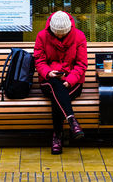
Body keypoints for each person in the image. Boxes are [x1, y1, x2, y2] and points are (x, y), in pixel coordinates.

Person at [33, 11, 88, 154]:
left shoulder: (79, 37)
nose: (60, 36)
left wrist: (69, 81)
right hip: (49, 80)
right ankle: (72, 121)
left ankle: (57, 136)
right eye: (57, 33)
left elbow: (81, 64)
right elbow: (39, 61)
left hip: (72, 82)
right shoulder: (42, 36)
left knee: (56, 96)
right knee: (54, 85)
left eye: (63, 33)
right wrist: (48, 72)